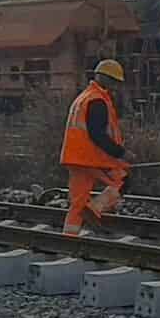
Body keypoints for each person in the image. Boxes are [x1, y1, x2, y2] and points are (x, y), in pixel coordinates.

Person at [60, 59, 130, 237]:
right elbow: (97, 134)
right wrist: (121, 153)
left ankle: (68, 238)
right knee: (122, 179)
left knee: (78, 202)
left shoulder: (84, 97)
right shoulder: (97, 100)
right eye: (114, 81)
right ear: (104, 78)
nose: (115, 86)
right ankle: (95, 209)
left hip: (74, 158)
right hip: (90, 158)